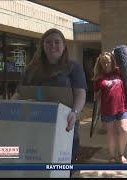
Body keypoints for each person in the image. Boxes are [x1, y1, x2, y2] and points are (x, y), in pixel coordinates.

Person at [11, 28, 87, 164]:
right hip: (35, 125)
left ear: (64, 46)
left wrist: (75, 112)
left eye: (57, 42)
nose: (53, 45)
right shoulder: (31, 69)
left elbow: (80, 93)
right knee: (38, 164)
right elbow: (19, 93)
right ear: (42, 46)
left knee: (62, 166)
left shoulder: (73, 67)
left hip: (65, 123)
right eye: (48, 42)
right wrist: (8, 109)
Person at [93, 52, 127, 163]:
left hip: (123, 107)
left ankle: (121, 154)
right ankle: (112, 156)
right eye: (103, 63)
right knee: (111, 133)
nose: (106, 65)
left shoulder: (120, 72)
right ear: (100, 64)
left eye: (108, 62)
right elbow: (96, 96)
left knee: (123, 130)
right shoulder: (99, 78)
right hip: (107, 110)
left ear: (112, 62)